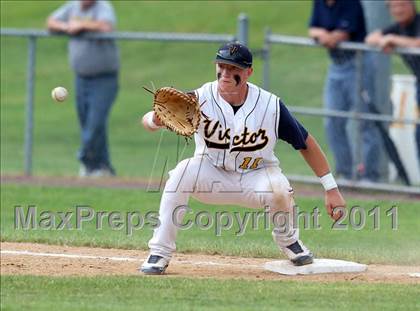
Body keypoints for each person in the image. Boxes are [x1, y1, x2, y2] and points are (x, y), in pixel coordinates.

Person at [140, 42, 346, 275]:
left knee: (279, 189)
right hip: (211, 173)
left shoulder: (270, 106)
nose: (225, 74)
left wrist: (330, 188)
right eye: (222, 66)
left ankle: (289, 241)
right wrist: (153, 120)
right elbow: (148, 121)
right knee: (180, 174)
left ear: (248, 72)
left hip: (256, 175)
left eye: (233, 69)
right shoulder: (199, 98)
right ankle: (159, 252)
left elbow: (306, 143)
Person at [308, 0, 381, 181]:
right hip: (336, 66)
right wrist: (322, 34)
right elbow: (313, 29)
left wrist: (326, 37)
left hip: (358, 64)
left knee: (365, 121)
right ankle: (346, 173)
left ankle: (370, 176)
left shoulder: (351, 3)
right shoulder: (320, 3)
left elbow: (342, 35)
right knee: (332, 121)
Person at [47, 0, 119, 177]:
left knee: (95, 123)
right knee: (88, 123)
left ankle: (84, 158)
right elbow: (50, 21)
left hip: (104, 79)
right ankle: (100, 167)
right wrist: (66, 27)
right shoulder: (73, 6)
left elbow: (106, 26)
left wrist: (82, 25)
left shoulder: (103, 7)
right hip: (81, 78)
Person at [365, 0, 420, 163]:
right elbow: (371, 38)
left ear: (412, 5)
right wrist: (389, 40)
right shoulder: (398, 28)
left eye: (402, 5)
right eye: (394, 6)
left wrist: (393, 40)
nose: (398, 10)